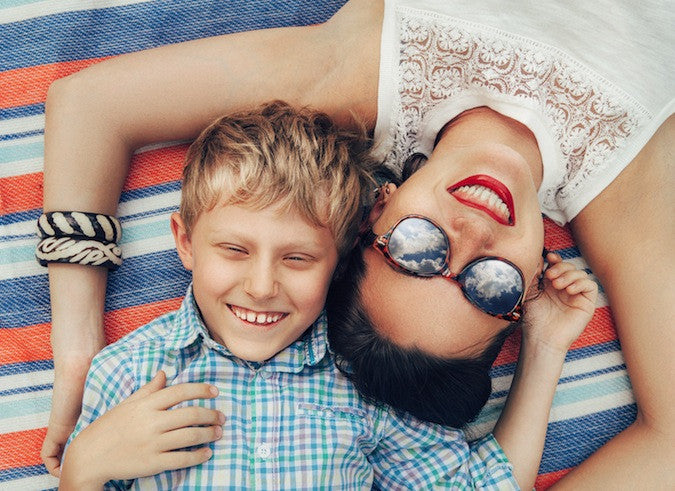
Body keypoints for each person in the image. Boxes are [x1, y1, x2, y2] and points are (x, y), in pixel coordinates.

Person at [41, 0, 674, 487]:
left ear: (377, 209)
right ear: (532, 283)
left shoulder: (361, 75)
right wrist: (545, 350)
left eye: (418, 251)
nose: (473, 233)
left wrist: (74, 353)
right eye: (489, 284)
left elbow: (88, 104)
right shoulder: (625, 185)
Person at [56, 101, 596, 490]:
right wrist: (84, 469)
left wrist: (545, 348)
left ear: (339, 259)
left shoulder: (361, 384)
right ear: (185, 242)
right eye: (234, 250)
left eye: (297, 259)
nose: (263, 287)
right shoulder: (124, 374)